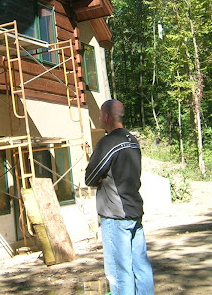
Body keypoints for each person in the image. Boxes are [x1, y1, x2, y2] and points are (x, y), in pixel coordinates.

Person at [85, 99, 154, 295]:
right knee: (141, 268)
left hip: (115, 216)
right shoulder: (132, 141)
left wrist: (101, 179)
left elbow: (90, 177)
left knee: (119, 273)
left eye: (99, 115)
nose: (98, 118)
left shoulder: (108, 142)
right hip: (134, 212)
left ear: (107, 116)